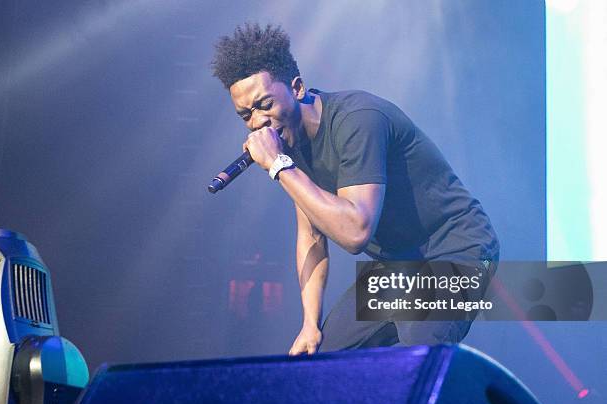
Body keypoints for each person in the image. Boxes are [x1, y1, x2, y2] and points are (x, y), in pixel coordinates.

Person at [211, 23, 499, 356]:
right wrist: (309, 324)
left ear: (298, 88)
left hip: (454, 249)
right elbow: (312, 237)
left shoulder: (358, 120)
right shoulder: (290, 146)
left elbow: (355, 232)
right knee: (325, 362)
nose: (258, 121)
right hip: (395, 265)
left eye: (264, 105)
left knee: (413, 368)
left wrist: (279, 167)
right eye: (245, 114)